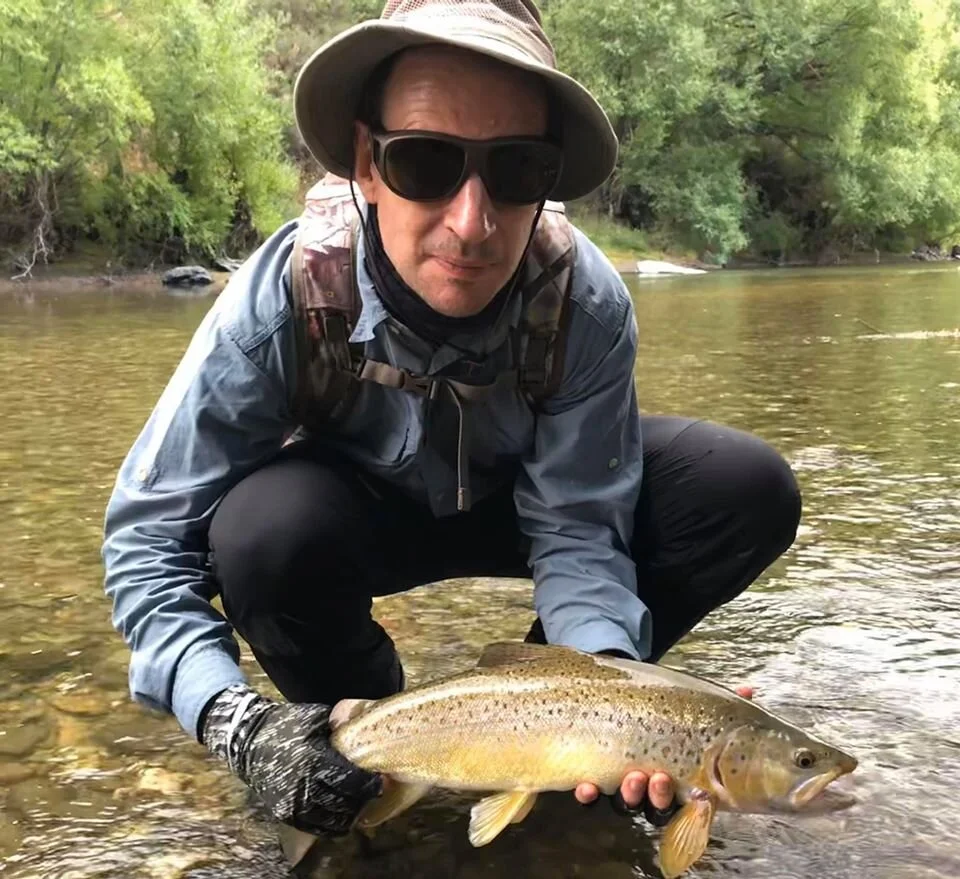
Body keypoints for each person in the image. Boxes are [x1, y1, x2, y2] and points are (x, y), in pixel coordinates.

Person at [101, 0, 800, 856]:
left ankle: (548, 747)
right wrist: (239, 724)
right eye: (427, 162)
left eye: (515, 170)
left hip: (519, 512)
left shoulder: (585, 303)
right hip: (346, 524)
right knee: (258, 530)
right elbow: (147, 548)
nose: (472, 221)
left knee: (743, 486)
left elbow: (579, 530)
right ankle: (359, 742)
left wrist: (624, 702)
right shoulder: (278, 301)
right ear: (366, 161)